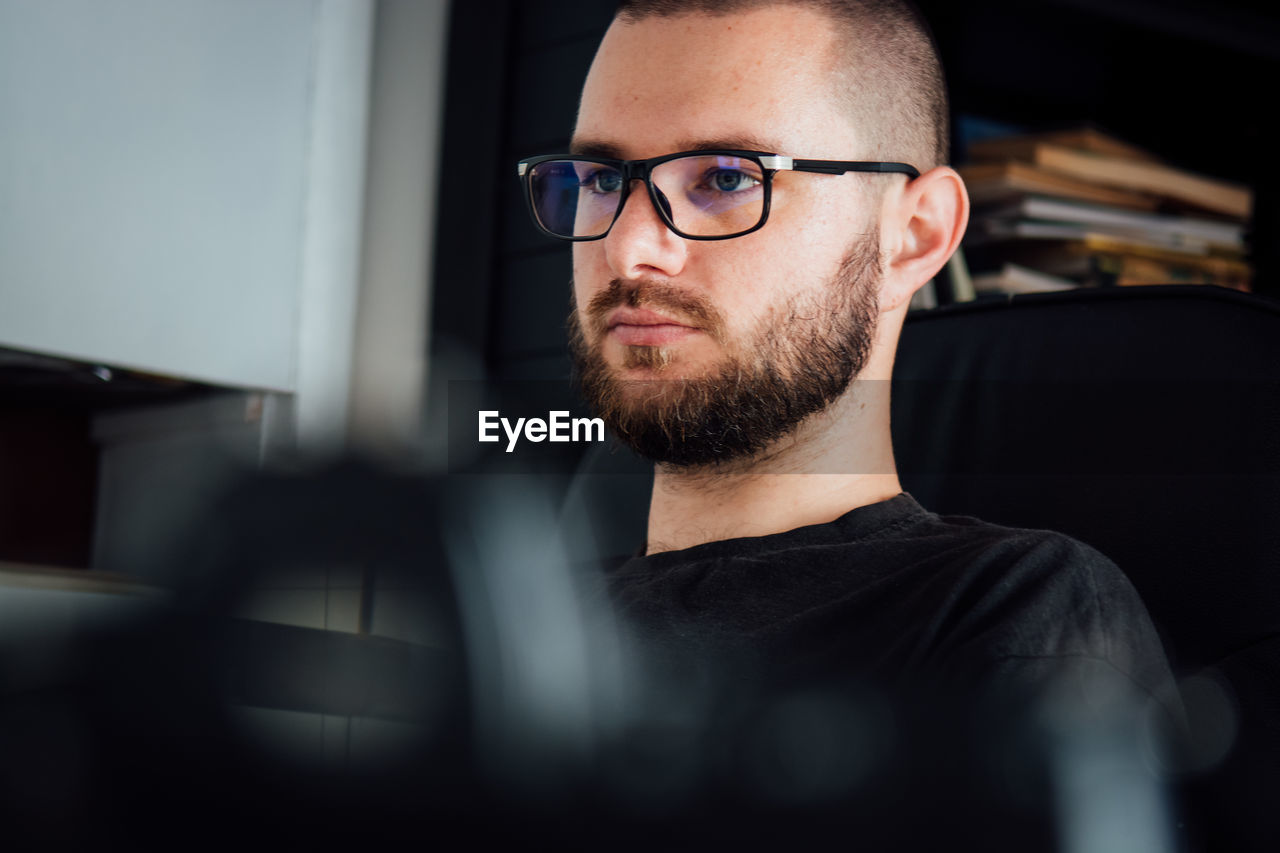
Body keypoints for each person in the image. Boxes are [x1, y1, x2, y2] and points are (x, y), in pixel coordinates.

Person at [517, 0, 1177, 718]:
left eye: (729, 177)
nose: (628, 249)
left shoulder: (1013, 610)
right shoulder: (527, 620)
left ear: (916, 234)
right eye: (603, 181)